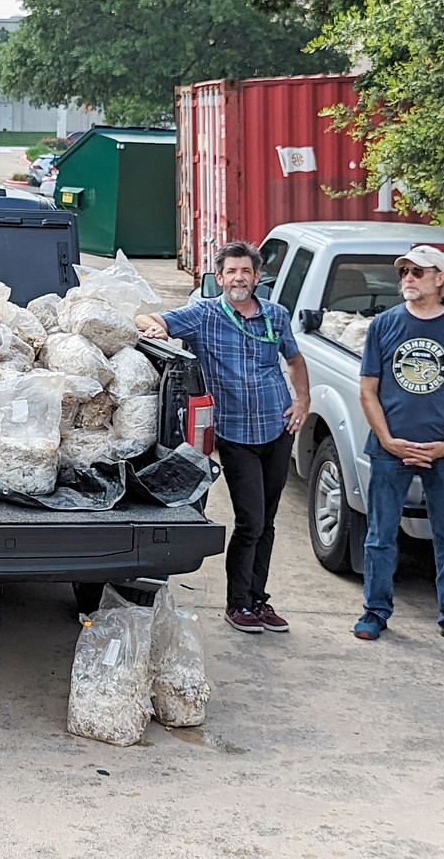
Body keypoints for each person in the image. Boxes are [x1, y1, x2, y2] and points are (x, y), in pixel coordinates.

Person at [136, 241, 310, 634]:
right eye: (231, 272)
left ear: (257, 277)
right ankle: (238, 605)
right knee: (250, 520)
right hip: (235, 435)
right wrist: (156, 329)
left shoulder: (276, 315)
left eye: (245, 271)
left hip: (277, 429)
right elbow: (150, 318)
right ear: (220, 278)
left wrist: (302, 399)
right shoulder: (204, 315)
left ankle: (258, 600)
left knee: (268, 521)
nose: (238, 278)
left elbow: (295, 360)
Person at [354, 245, 444, 651]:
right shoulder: (384, 325)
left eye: (417, 272)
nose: (407, 278)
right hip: (389, 450)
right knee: (379, 535)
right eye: (404, 272)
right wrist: (389, 441)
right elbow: (368, 391)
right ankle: (375, 611)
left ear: (439, 279)